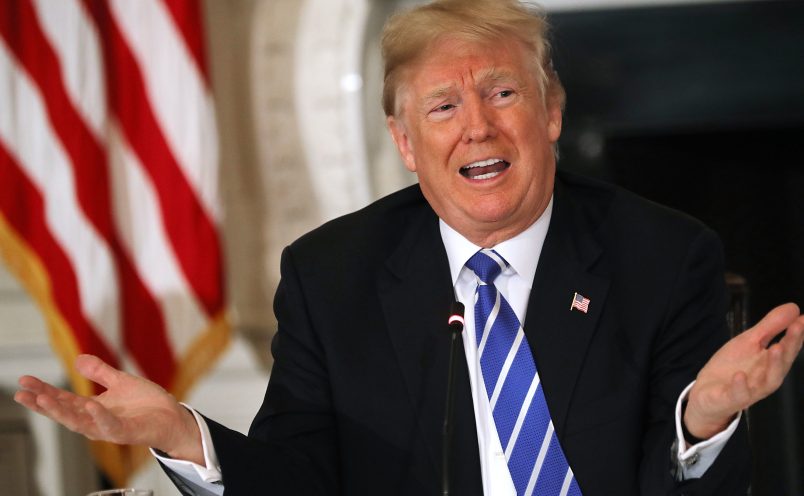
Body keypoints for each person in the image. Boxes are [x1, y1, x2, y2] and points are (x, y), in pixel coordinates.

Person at [14, 1, 804, 495]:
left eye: (502, 92)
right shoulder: (332, 276)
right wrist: (181, 435)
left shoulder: (661, 254)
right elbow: (300, 480)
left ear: (552, 112)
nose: (479, 127)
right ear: (403, 142)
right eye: (443, 106)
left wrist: (700, 419)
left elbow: (701, 485)